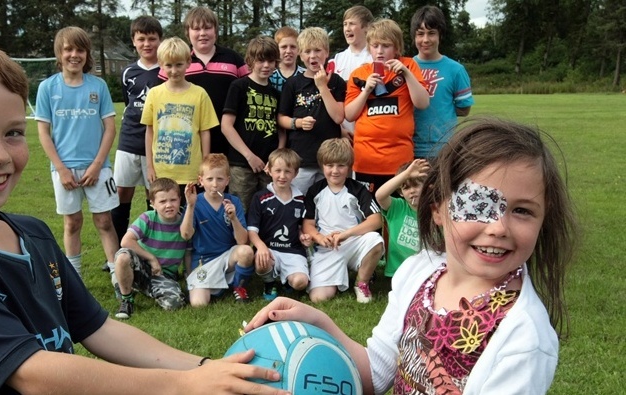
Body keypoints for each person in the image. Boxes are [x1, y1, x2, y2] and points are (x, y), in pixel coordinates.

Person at [0, 31, 288, 395]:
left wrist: (204, 367)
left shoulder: (34, 234)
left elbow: (100, 329)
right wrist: (184, 385)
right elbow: (32, 373)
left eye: (13, 133)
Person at [246, 117, 577, 395]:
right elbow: (376, 373)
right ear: (437, 210)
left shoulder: (523, 338)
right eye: (478, 204)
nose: (498, 227)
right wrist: (316, 319)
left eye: (522, 210)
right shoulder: (419, 272)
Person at [35, 26, 119, 277]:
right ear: (59, 54)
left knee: (104, 221)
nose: (74, 55)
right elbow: (43, 133)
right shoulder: (47, 88)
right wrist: (61, 169)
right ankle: (76, 280)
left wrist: (97, 165)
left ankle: (119, 278)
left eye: (80, 49)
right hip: (64, 170)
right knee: (72, 223)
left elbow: (110, 129)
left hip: (98, 167)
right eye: (68, 49)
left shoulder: (99, 86)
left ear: (87, 54)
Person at [345, 19, 429, 194]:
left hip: (399, 161)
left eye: (386, 45)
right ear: (369, 47)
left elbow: (422, 103)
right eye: (375, 46)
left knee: (398, 213)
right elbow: (350, 114)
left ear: (397, 48)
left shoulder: (409, 65)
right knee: (370, 214)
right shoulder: (359, 73)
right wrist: (366, 90)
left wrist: (406, 74)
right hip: (366, 160)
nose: (380, 51)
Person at [303, 139, 383, 303]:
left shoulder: (358, 189)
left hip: (354, 242)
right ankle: (339, 273)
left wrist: (346, 234)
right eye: (329, 165)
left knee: (376, 241)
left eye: (341, 165)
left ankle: (362, 283)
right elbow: (308, 225)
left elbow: (377, 220)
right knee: (319, 298)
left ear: (349, 166)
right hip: (328, 247)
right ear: (322, 165)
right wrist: (320, 238)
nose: (335, 171)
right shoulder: (315, 191)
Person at [111, 16, 164, 245]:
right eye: (141, 39)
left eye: (152, 39)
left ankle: (150, 244)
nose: (147, 44)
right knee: (122, 193)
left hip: (157, 143)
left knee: (153, 194)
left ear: (160, 40)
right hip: (129, 141)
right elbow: (128, 104)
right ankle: (118, 247)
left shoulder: (166, 71)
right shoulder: (128, 72)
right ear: (134, 41)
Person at [170, 6, 249, 155]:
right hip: (187, 140)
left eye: (207, 28)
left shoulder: (233, 59)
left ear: (216, 31)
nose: (202, 34)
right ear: (188, 33)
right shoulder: (177, 61)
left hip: (228, 141)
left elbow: (250, 91)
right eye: (196, 29)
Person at [278, 27, 346, 194]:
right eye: (307, 51)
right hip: (301, 158)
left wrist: (322, 86)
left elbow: (338, 117)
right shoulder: (293, 83)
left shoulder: (336, 81)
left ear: (327, 52)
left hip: (330, 160)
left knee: (328, 202)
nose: (312, 56)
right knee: (299, 202)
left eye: (317, 50)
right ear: (301, 55)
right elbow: (281, 118)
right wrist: (298, 123)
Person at [143, 37, 217, 191]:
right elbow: (149, 131)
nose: (174, 71)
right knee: (165, 212)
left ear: (188, 62)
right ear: (161, 64)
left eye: (179, 65)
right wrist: (149, 166)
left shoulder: (199, 94)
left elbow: (205, 132)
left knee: (190, 213)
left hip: (191, 173)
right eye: (168, 65)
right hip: (161, 172)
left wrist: (205, 167)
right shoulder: (154, 94)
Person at [181, 154, 255, 306]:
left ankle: (238, 287)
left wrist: (234, 218)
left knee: (246, 252)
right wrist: (190, 206)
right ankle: (218, 286)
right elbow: (186, 235)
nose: (215, 184)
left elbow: (242, 241)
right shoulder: (195, 202)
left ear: (227, 180)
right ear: (201, 180)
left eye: (220, 179)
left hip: (227, 258)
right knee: (198, 304)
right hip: (204, 261)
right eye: (209, 179)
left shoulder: (233, 202)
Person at [221, 35, 284, 212]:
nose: (266, 66)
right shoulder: (239, 86)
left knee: (268, 212)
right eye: (261, 60)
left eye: (271, 61)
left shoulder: (276, 93)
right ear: (250, 60)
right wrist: (249, 156)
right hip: (242, 164)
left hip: (268, 166)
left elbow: (281, 131)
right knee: (240, 211)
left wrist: (275, 160)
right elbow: (226, 126)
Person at [113, 178, 189, 319]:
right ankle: (127, 299)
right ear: (152, 204)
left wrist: (190, 280)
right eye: (162, 201)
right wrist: (152, 258)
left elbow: (189, 253)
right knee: (123, 256)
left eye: (173, 200)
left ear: (180, 199)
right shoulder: (147, 218)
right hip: (140, 267)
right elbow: (125, 241)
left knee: (175, 303)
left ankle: (133, 284)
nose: (168, 205)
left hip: (164, 275)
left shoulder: (186, 222)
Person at [411, 5, 475, 158]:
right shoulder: (405, 67)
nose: (425, 40)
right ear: (414, 36)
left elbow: (464, 109)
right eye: (420, 34)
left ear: (440, 35)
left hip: (444, 150)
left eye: (431, 33)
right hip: (409, 148)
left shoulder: (455, 70)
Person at [247, 148, 311, 300]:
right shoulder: (260, 198)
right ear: (269, 170)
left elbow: (301, 228)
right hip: (270, 250)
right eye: (278, 171)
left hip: (293, 251)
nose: (282, 176)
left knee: (300, 283)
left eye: (288, 171)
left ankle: (288, 281)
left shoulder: (301, 199)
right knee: (261, 261)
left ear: (295, 174)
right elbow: (252, 231)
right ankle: (269, 283)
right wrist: (261, 247)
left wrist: (304, 237)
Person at [374, 159, 429, 287]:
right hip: (399, 272)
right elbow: (379, 195)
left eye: (416, 185)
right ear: (400, 192)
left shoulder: (436, 211)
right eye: (406, 187)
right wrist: (406, 174)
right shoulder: (397, 207)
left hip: (427, 270)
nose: (411, 191)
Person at [331, 5, 375, 140]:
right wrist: (339, 129)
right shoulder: (337, 59)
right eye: (345, 24)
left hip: (369, 132)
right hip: (343, 135)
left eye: (352, 24)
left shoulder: (375, 58)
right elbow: (330, 96)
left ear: (366, 27)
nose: (347, 29)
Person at [269, 26, 305, 92]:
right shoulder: (269, 75)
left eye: (293, 47)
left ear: (299, 50)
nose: (288, 51)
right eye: (284, 47)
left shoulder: (305, 75)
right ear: (276, 49)